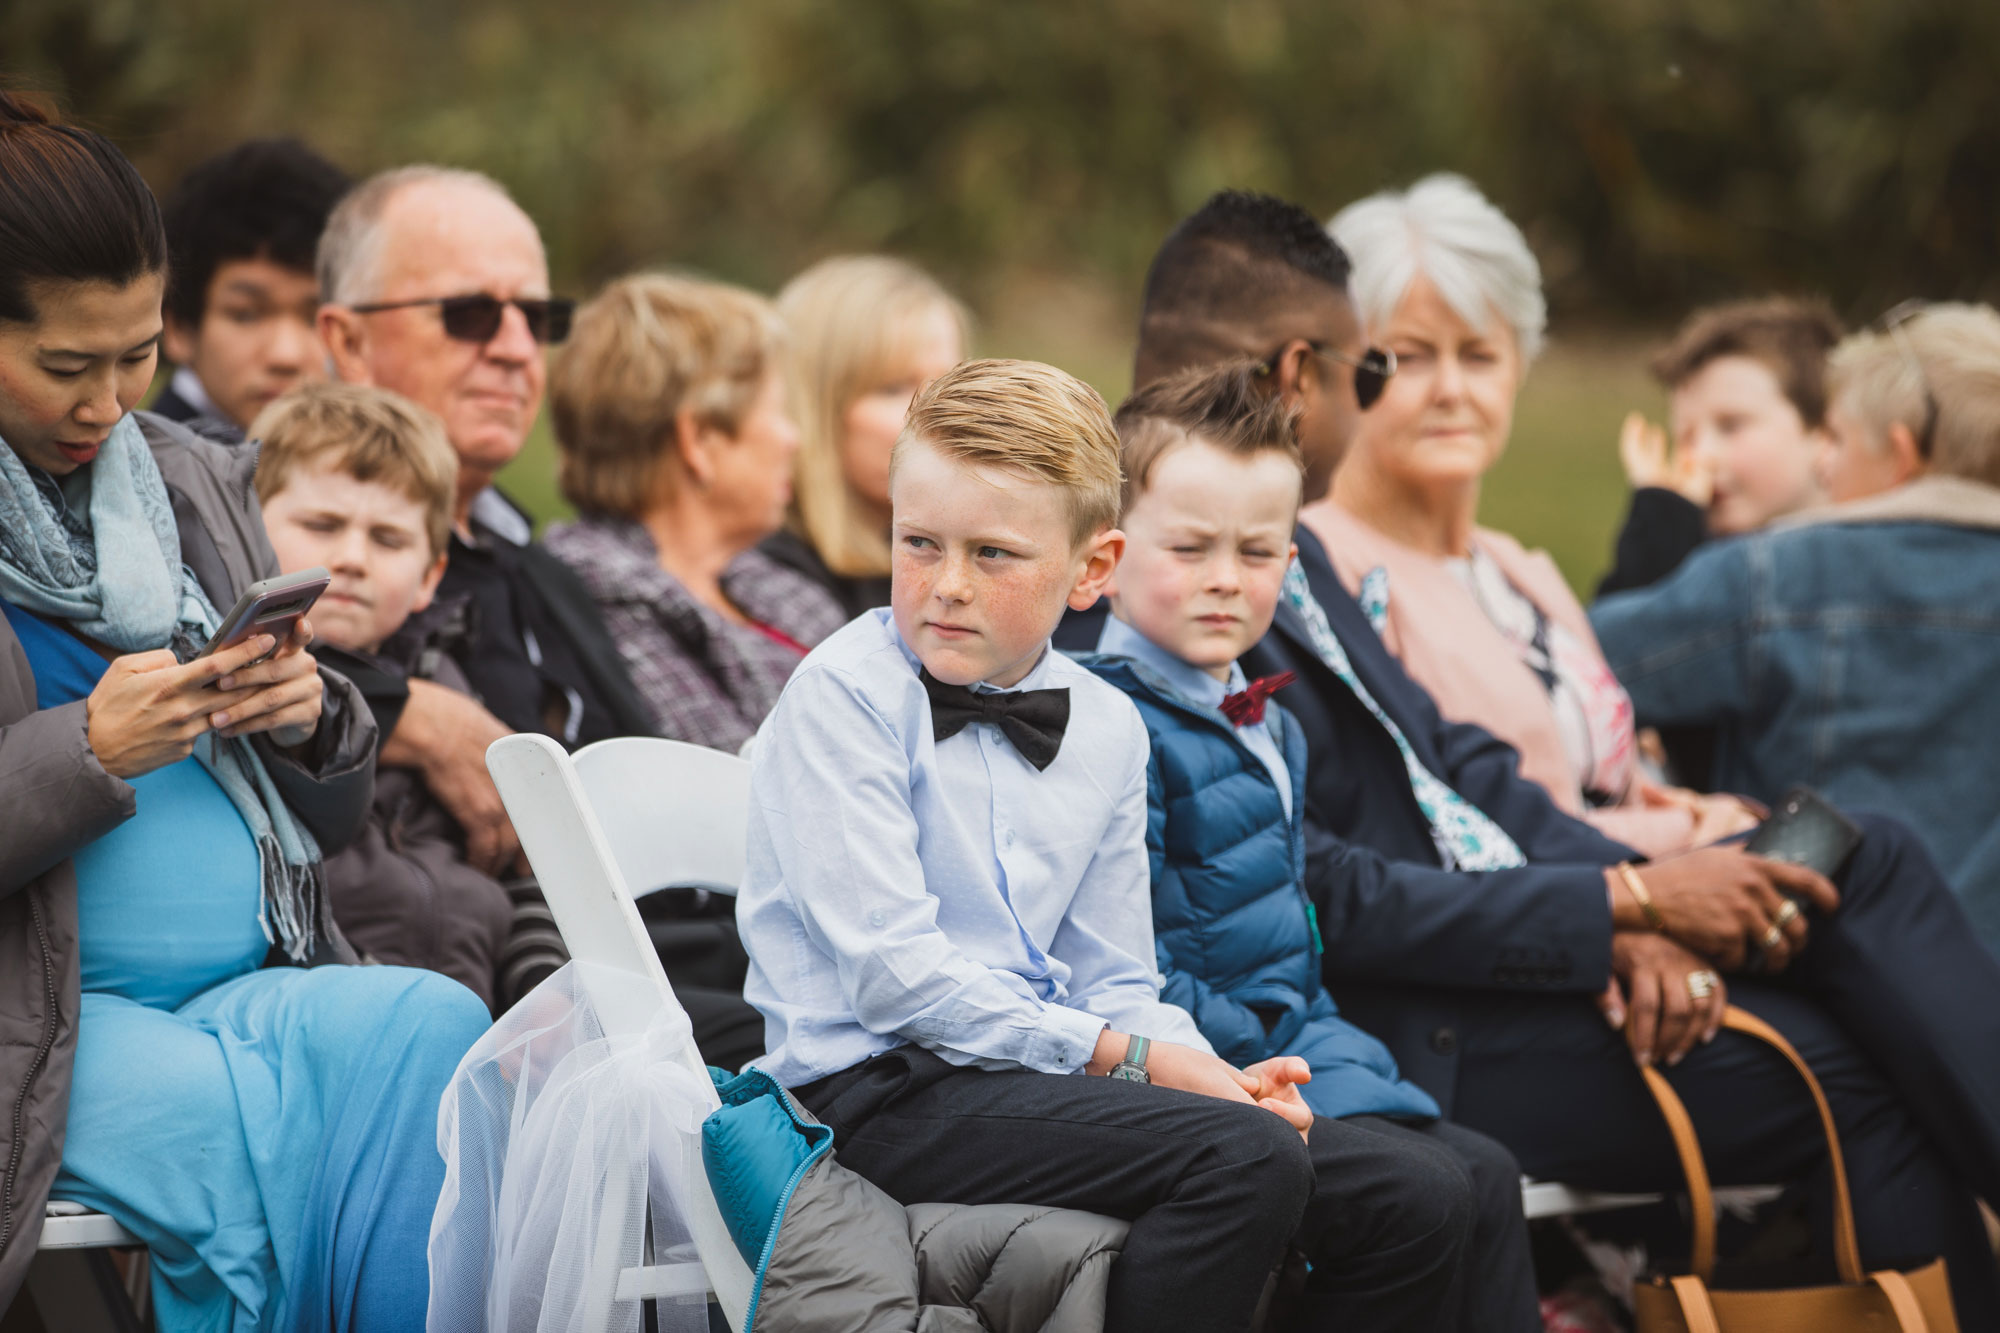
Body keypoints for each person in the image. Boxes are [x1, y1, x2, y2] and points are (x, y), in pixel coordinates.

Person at [1124, 187, 2000, 1323]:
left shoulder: (1306, 563)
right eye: (1380, 367)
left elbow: (1465, 769)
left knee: (1860, 862)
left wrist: (1634, 906)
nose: (1412, 393)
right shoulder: (1196, 578)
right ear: (1302, 372)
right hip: (1412, 1017)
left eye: (1478, 354)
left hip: (1520, 943)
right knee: (1855, 1045)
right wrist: (1619, 907)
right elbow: (1322, 887)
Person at [740, 356, 1501, 1333]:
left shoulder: (1104, 726)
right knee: (1242, 1160)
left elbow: (1112, 975)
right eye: (918, 542)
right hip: (869, 1094)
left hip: (1021, 1079)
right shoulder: (845, 693)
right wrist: (1130, 1058)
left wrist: (1213, 1076)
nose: (947, 586)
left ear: (1092, 567)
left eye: (993, 554)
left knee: (1367, 1179)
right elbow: (895, 979)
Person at [0, 93, 489, 1327]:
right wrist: (88, 751)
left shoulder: (189, 477)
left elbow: (326, 812)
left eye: (138, 352)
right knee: (247, 1153)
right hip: (40, 1017)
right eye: (66, 364)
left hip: (249, 971)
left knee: (429, 1021)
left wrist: (302, 713)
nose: (110, 400)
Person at [1082, 360, 1540, 1331]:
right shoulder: (1108, 726)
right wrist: (1278, 1057)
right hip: (1188, 1064)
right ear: (1108, 556)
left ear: (1289, 571)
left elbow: (1291, 943)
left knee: (1487, 1173)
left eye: (1254, 553)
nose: (1221, 578)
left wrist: (1343, 1059)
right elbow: (1126, 965)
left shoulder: (1266, 725)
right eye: (1189, 547)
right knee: (1422, 1193)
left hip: (1287, 1045)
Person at [1300, 174, 1757, 858]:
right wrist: (1690, 839)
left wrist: (1708, 815)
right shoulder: (1326, 571)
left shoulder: (1518, 568)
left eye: (1480, 355)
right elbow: (1455, 831)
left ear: (1518, 367)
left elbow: (1612, 782)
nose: (1452, 390)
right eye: (1411, 357)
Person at [1592, 303, 2000, 956]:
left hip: (1826, 977)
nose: (1825, 463)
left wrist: (1658, 524)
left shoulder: (1782, 572)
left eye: (1836, 438)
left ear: (1899, 453)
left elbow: (1576, 675)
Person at [316, 164, 654, 879]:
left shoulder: (547, 569)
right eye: (469, 313)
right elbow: (206, 656)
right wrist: (398, 709)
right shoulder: (261, 521)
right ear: (349, 343)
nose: (515, 348)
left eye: (535, 318)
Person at [253, 381, 514, 1010]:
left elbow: (531, 874)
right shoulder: (244, 679)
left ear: (431, 576)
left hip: (475, 1015)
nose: (353, 557)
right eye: (323, 525)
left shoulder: (452, 683)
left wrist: (541, 993)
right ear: (245, 530)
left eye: (388, 540)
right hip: (319, 1007)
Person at [544, 272, 846, 754]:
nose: (794, 440)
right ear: (699, 441)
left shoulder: (770, 584)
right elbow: (733, 787)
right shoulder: (604, 600)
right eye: (776, 411)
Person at [759, 254, 969, 616]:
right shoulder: (768, 583)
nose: (941, 411)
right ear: (812, 407)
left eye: (951, 384)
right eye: (894, 388)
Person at [1598, 297, 1844, 598]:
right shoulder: (1690, 561)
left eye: (1731, 426)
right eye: (1686, 437)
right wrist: (1660, 531)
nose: (1701, 457)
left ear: (1826, 433)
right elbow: (1619, 632)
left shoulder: (1867, 569)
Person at [153, 138, 351, 443]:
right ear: (178, 326)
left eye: (315, 319)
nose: (285, 355)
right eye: (246, 315)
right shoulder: (146, 478)